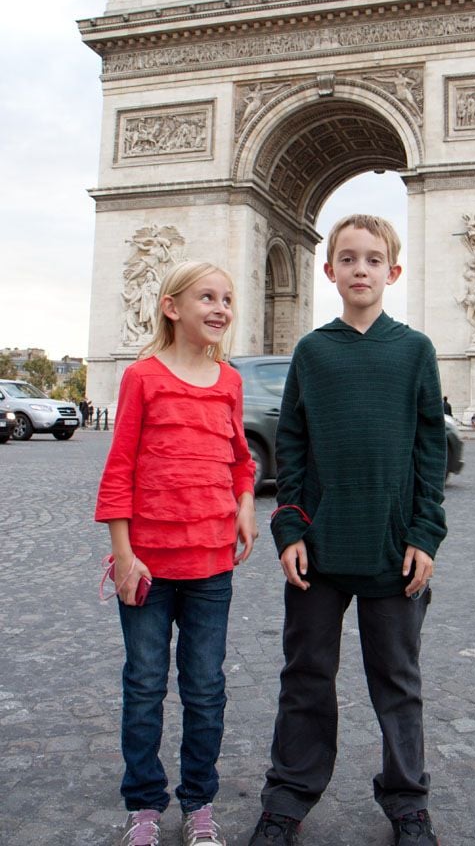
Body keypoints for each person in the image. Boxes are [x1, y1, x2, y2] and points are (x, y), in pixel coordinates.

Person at [248, 215, 447, 846]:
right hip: (319, 548)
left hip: (393, 550)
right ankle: (288, 797)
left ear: (392, 271)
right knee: (304, 677)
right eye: (348, 259)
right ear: (328, 270)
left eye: (373, 259)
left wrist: (425, 534)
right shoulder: (312, 351)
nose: (360, 269)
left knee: (398, 682)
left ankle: (407, 800)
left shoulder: (415, 350)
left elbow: (429, 451)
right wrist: (288, 530)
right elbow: (294, 448)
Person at [95, 260, 258, 846]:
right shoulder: (142, 376)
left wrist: (245, 501)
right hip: (147, 564)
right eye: (207, 297)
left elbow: (242, 458)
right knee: (143, 685)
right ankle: (143, 805)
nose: (220, 308)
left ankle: (199, 803)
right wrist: (123, 554)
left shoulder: (232, 382)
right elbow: (120, 468)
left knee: (205, 687)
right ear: (171, 307)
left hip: (212, 563)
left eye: (228, 298)